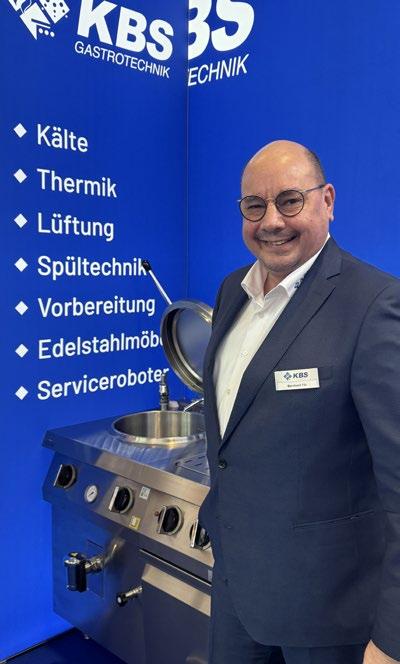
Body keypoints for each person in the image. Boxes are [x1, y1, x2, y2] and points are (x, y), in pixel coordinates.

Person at [199, 140, 400, 664]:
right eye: (254, 206)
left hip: (329, 616)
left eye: (290, 201)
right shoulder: (232, 291)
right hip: (238, 592)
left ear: (326, 200)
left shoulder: (374, 304)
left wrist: (393, 640)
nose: (271, 222)